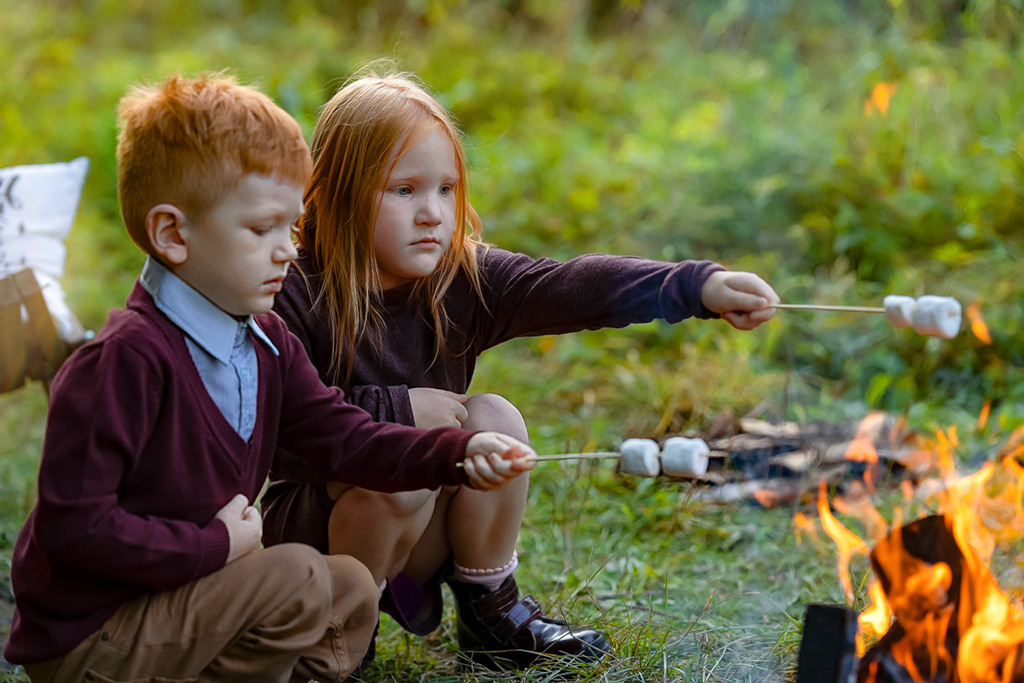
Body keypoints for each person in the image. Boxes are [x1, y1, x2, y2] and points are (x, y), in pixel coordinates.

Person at [1, 72, 536, 683]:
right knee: (298, 579)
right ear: (172, 234)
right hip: (96, 634)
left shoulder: (263, 341)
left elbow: (348, 438)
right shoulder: (122, 364)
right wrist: (215, 548)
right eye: (262, 230)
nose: (288, 251)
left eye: (292, 225)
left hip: (187, 598)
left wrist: (459, 453)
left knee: (351, 586)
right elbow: (77, 530)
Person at [261, 66, 780, 671]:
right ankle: (338, 637)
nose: (432, 213)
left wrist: (696, 286)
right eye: (403, 190)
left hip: (413, 525)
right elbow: (273, 436)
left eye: (447, 189)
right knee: (405, 459)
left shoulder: (458, 279)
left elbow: (570, 286)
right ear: (342, 190)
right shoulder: (292, 291)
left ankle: (491, 612)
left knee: (495, 419)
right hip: (316, 538)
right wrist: (398, 412)